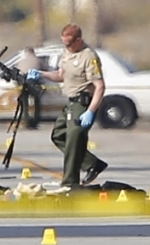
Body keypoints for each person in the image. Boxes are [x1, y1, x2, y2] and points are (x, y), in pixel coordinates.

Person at [28, 24, 108, 191]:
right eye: (64, 43)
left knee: (73, 141)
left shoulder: (88, 56)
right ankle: (92, 163)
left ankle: (70, 182)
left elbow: (100, 86)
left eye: (70, 43)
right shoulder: (66, 53)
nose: (67, 47)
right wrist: (41, 74)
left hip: (83, 103)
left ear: (79, 40)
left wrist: (91, 112)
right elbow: (61, 75)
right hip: (71, 103)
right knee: (58, 135)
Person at [16, 47, 42, 129]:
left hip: (23, 83)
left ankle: (26, 120)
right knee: (37, 103)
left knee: (24, 104)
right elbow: (43, 70)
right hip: (35, 83)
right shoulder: (38, 61)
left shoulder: (21, 62)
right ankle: (36, 120)